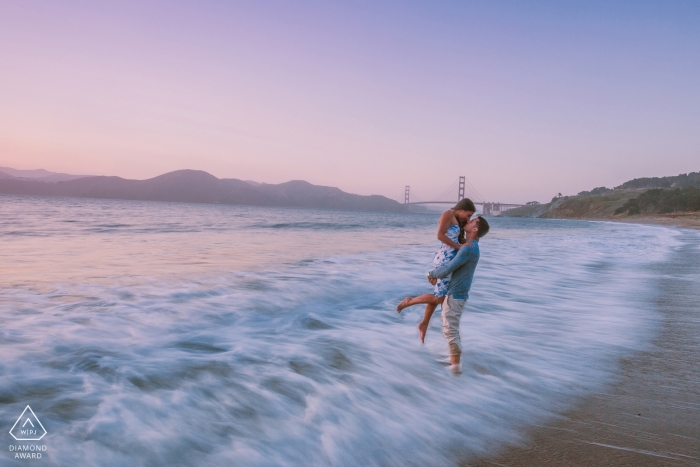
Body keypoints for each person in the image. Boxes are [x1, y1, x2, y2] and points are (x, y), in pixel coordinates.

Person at [396, 198, 476, 343]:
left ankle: (424, 324)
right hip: (444, 258)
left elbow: (456, 240)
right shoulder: (448, 214)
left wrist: (467, 242)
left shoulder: (457, 219)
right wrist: (458, 247)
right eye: (468, 215)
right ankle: (409, 302)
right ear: (461, 209)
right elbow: (440, 235)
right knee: (440, 298)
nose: (468, 218)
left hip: (451, 259)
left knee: (438, 295)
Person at [427, 215, 489, 372]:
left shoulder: (468, 248)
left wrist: (431, 274)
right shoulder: (472, 246)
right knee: (451, 329)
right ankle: (455, 361)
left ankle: (455, 367)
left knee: (450, 331)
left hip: (455, 295)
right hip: (458, 294)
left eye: (472, 221)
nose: (468, 221)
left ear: (475, 229)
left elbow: (448, 268)